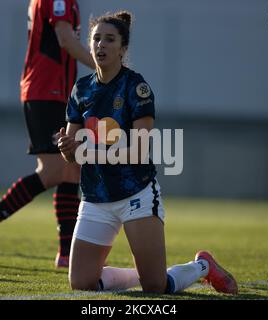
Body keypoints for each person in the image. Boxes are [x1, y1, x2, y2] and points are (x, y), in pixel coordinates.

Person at [56, 10, 238, 294]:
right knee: (81, 283)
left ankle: (203, 266)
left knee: (155, 286)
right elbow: (73, 152)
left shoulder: (136, 87)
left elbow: (139, 150)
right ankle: (140, 273)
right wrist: (66, 148)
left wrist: (85, 151)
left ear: (122, 48)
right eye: (96, 39)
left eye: (109, 39)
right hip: (95, 196)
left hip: (135, 195)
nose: (100, 45)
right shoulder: (80, 89)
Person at [0, 0, 95, 268]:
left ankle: (66, 254)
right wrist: (103, 70)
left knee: (72, 168)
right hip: (46, 92)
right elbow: (65, 40)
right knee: (53, 170)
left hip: (59, 93)